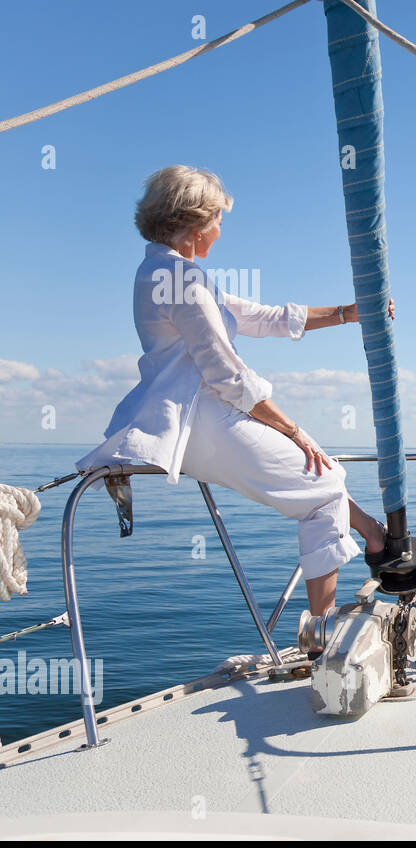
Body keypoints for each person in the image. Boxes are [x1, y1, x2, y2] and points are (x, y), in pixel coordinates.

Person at [75, 165, 392, 625]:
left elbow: (263, 317)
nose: (221, 230)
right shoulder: (183, 279)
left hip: (190, 419)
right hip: (203, 416)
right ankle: (323, 637)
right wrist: (292, 428)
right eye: (218, 219)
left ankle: (373, 535)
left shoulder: (164, 272)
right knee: (322, 492)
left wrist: (348, 313)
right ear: (196, 220)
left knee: (324, 469)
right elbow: (226, 373)